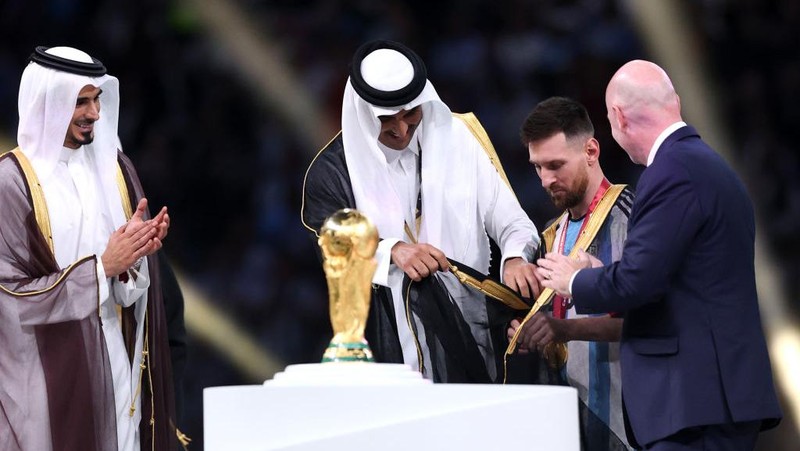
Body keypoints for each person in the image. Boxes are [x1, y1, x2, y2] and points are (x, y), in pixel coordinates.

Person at [538, 60, 782, 449]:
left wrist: (573, 280)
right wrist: (604, 271)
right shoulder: (708, 165)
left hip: (694, 404)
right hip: (712, 400)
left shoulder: (672, 171)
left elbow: (638, 282)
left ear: (617, 117)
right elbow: (678, 277)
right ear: (675, 102)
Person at [302, 39, 539, 383]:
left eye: (410, 112)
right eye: (386, 119)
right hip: (390, 347)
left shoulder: (459, 138)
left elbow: (511, 220)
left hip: (473, 335)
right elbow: (331, 242)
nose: (401, 129)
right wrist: (391, 250)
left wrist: (516, 256)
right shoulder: (334, 171)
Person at [0, 46, 179, 450]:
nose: (94, 113)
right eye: (81, 101)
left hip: (115, 360)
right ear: (49, 101)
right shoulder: (11, 184)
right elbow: (9, 297)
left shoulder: (115, 169)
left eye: (97, 99)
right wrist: (101, 269)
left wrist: (135, 259)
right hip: (43, 379)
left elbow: (128, 285)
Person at [507, 97, 633, 450]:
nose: (546, 180)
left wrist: (562, 329)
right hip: (568, 421)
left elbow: (646, 322)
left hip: (626, 422)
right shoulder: (551, 233)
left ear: (591, 150)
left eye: (556, 165)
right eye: (537, 167)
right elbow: (554, 322)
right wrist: (531, 331)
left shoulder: (629, 218)